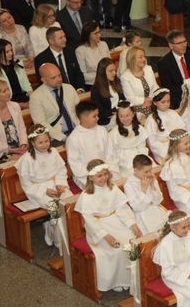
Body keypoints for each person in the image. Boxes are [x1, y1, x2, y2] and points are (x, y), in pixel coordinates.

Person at [76, 160, 141, 293]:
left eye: (105, 174)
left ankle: (130, 279)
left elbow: (122, 209)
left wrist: (132, 225)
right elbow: (90, 221)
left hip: (116, 222)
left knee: (130, 244)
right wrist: (106, 236)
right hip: (99, 228)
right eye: (99, 176)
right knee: (116, 251)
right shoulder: (87, 196)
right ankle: (116, 281)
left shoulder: (112, 188)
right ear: (91, 177)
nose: (104, 178)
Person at [16, 124, 69, 245]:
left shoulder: (53, 152)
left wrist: (60, 184)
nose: (44, 145)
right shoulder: (27, 159)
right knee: (55, 206)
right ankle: (58, 239)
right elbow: (26, 184)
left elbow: (61, 171)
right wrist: (44, 191)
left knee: (68, 201)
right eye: (40, 142)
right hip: (38, 191)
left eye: (46, 141)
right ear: (32, 143)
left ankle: (70, 236)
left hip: (56, 184)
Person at [160, 129, 190, 215]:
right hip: (184, 197)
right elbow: (173, 189)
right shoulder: (171, 165)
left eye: (189, 142)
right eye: (185, 144)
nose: (189, 145)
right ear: (175, 146)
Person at [28, 63, 78, 144]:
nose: (59, 79)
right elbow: (41, 123)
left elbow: (79, 111)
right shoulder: (36, 97)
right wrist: (64, 138)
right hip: (56, 138)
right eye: (53, 78)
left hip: (77, 131)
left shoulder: (69, 88)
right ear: (43, 80)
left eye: (59, 75)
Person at [156, 30, 190, 110]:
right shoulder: (164, 63)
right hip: (179, 97)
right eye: (179, 43)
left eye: (184, 41)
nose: (184, 45)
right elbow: (168, 87)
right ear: (171, 45)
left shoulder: (189, 55)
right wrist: (188, 92)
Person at [123, 154, 166, 233]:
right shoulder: (129, 185)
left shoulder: (151, 178)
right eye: (146, 172)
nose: (149, 174)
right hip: (142, 216)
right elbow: (137, 208)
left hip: (157, 211)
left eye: (150, 170)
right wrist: (144, 190)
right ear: (136, 170)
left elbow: (158, 201)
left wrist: (152, 186)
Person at [34, 26, 86, 91]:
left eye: (64, 36)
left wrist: (80, 89)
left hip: (75, 91)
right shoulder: (41, 59)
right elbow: (44, 83)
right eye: (61, 38)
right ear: (51, 41)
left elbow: (78, 73)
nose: (65, 40)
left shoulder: (70, 52)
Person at [145, 88, 186, 164]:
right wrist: (169, 150)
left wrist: (180, 144)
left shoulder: (173, 113)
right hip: (163, 151)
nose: (166, 104)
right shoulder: (151, 120)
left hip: (178, 144)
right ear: (155, 103)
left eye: (168, 101)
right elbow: (152, 142)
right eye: (163, 102)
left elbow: (182, 129)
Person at [0, 39, 31, 105]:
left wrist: (32, 97)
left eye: (11, 50)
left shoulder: (18, 63)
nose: (11, 53)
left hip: (24, 97)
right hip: (7, 101)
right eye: (7, 52)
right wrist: (17, 105)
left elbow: (26, 84)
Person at [121, 46, 158, 118]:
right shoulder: (125, 77)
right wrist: (146, 100)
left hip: (153, 103)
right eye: (140, 57)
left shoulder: (148, 69)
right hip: (137, 109)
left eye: (144, 56)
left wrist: (153, 99)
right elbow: (130, 98)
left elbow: (155, 87)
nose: (144, 59)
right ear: (132, 59)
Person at [90, 57, 123, 127]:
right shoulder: (96, 89)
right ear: (102, 73)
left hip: (120, 115)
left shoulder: (117, 81)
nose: (114, 73)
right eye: (111, 71)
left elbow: (123, 99)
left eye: (115, 70)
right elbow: (99, 112)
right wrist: (115, 111)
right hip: (107, 121)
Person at [74, 21, 109, 88]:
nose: (99, 35)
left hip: (107, 81)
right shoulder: (80, 51)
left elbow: (110, 64)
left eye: (99, 32)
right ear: (88, 35)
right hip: (92, 85)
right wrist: (101, 76)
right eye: (96, 33)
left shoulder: (104, 44)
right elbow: (83, 75)